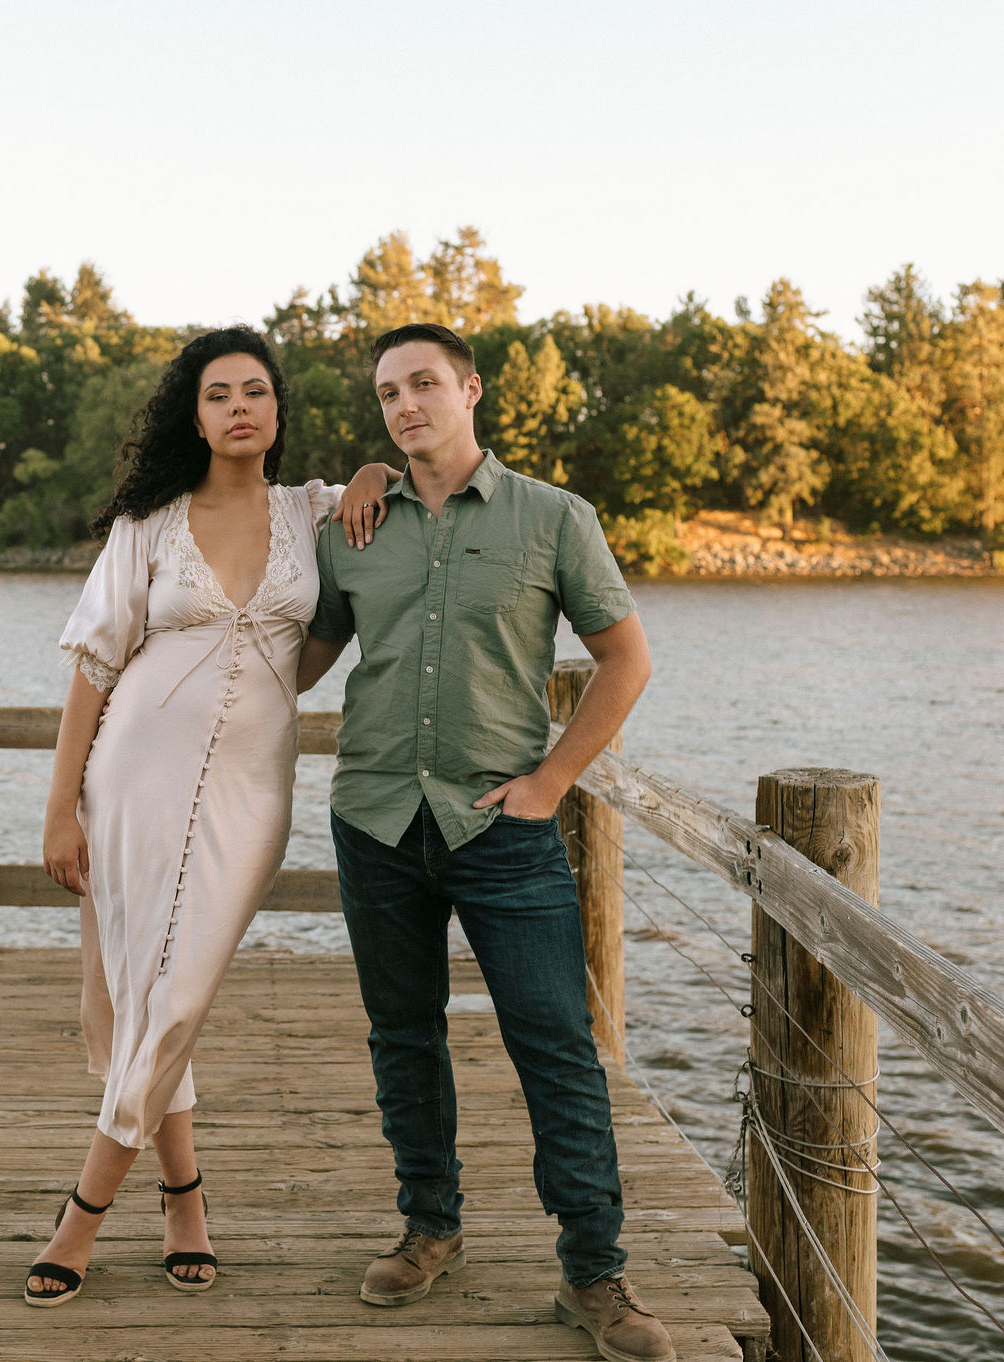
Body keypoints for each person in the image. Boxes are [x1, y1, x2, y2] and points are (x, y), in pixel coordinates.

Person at [295, 322, 673, 1362]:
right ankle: (428, 1228)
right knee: (401, 1033)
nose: (404, 404)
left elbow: (625, 659)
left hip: (499, 825)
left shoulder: (552, 519)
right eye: (385, 394)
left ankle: (593, 1275)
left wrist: (550, 782)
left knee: (553, 1043)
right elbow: (297, 663)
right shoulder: (351, 528)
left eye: (422, 384)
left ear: (469, 390)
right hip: (374, 817)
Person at [26, 326, 399, 1307]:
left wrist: (370, 466)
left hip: (248, 790)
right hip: (131, 776)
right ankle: (182, 1201)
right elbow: (93, 668)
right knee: (140, 994)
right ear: (192, 417)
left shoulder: (313, 513)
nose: (238, 406)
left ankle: (81, 1214)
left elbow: (387, 497)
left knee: (179, 990)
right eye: (217, 394)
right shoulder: (147, 524)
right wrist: (59, 805)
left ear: (277, 411)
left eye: (255, 392)